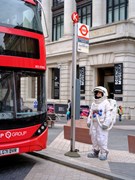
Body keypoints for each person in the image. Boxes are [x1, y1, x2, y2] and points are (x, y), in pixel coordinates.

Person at [87, 86, 112, 161]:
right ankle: (95, 151)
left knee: (102, 138)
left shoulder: (106, 103)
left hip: (101, 124)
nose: (98, 94)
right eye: (97, 93)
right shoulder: (94, 103)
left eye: (99, 93)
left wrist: (106, 123)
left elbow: (109, 114)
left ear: (103, 94)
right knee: (94, 137)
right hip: (94, 123)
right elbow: (90, 113)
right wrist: (88, 121)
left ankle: (104, 152)